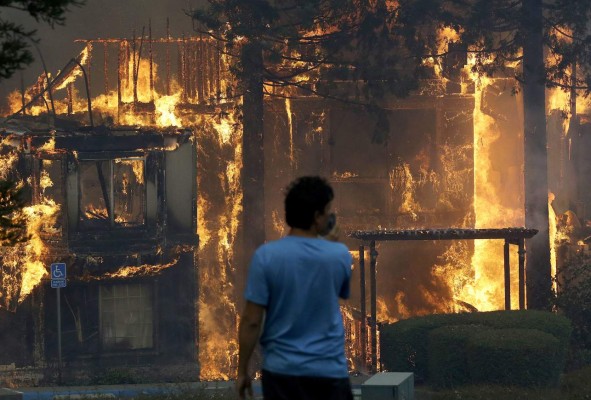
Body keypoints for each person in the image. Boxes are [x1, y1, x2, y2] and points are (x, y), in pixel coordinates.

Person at [236, 176, 353, 400]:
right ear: (317, 217)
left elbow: (251, 320)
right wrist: (329, 245)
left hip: (282, 374)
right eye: (327, 210)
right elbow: (339, 291)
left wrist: (242, 371)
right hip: (329, 372)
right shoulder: (339, 255)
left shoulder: (266, 256)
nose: (331, 216)